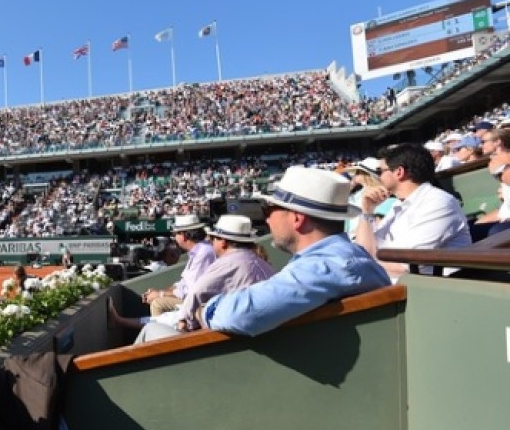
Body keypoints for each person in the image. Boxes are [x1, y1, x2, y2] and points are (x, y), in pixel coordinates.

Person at [196, 167, 391, 336]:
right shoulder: (342, 256)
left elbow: (242, 314)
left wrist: (205, 310)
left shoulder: (328, 264)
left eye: (269, 210)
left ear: (297, 219)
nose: (267, 220)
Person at [109, 215, 275, 343]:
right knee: (167, 316)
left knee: (152, 328)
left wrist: (184, 321)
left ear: (223, 242)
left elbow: (195, 293)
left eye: (215, 238)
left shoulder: (228, 262)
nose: (211, 241)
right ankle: (122, 322)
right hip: (240, 329)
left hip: (224, 335)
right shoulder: (260, 263)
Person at [353, 143, 471, 279]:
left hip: (427, 290)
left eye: (380, 171)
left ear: (399, 172)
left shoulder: (438, 202)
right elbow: (364, 250)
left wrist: (362, 265)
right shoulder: (399, 204)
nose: (378, 177)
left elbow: (408, 266)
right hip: (390, 283)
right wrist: (367, 211)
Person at [141, 215, 215, 317]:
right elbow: (183, 283)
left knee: (158, 304)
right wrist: (160, 292)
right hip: (197, 300)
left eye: (176, 234)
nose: (175, 238)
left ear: (184, 235)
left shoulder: (204, 252)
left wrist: (160, 294)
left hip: (204, 305)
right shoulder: (198, 251)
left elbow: (191, 290)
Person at [343, 157, 397, 239]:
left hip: (359, 238)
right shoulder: (357, 192)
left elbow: (378, 226)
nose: (354, 175)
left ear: (366, 174)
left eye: (358, 172)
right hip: (352, 237)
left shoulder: (381, 196)